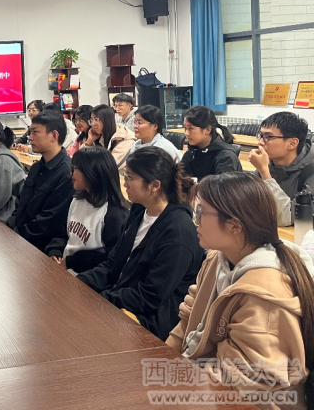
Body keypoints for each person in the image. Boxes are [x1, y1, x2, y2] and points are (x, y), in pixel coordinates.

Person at [167, 172, 314, 404]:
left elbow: (241, 382)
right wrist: (163, 359)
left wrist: (168, 385)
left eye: (201, 212)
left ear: (234, 225)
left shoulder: (265, 294)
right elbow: (189, 317)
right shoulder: (218, 258)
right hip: (205, 383)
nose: (195, 219)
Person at [78, 147, 204, 340]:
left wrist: (101, 299)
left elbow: (150, 296)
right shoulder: (139, 210)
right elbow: (113, 264)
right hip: (120, 300)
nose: (125, 183)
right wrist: (80, 282)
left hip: (148, 323)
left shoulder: (179, 233)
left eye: (129, 177)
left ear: (154, 185)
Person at [45, 146, 128, 274]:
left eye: (76, 168)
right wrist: (55, 250)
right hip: (64, 270)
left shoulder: (113, 214)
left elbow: (111, 259)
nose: (72, 172)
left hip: (86, 278)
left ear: (93, 172)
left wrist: (73, 261)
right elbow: (65, 233)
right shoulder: (77, 200)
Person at [6, 111, 74, 251]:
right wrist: (10, 228)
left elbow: (50, 221)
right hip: (18, 237)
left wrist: (15, 235)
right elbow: (20, 203)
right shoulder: (37, 167)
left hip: (40, 247)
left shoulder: (67, 173)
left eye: (35, 132)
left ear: (54, 136)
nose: (30, 138)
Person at [248, 112, 314, 227]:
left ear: (292, 143)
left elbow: (287, 217)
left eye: (268, 137)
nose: (260, 142)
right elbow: (246, 203)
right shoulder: (268, 162)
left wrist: (264, 172)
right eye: (261, 135)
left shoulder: (310, 170)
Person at [181, 106, 242, 181]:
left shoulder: (226, 157)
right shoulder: (191, 153)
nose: (186, 133)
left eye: (190, 128)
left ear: (207, 130)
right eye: (185, 128)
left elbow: (222, 187)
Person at [82, 105, 136, 173]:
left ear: (106, 120)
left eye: (96, 119)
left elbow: (110, 166)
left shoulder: (125, 139)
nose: (93, 124)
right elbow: (81, 159)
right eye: (91, 120)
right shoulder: (100, 136)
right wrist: (89, 141)